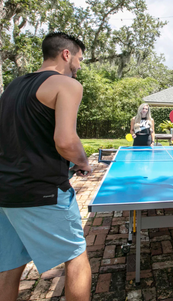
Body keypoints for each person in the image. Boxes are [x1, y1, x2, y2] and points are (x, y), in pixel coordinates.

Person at [0, 32, 92, 301]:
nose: (78, 65)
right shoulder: (67, 85)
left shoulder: (13, 87)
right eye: (79, 59)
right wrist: (84, 162)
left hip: (5, 192)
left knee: (9, 264)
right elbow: (65, 141)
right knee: (75, 257)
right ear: (66, 54)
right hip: (42, 191)